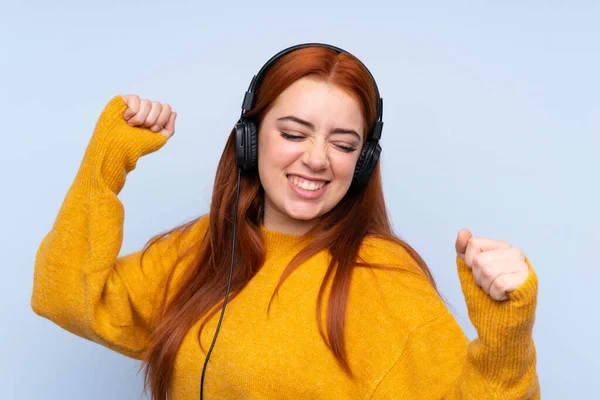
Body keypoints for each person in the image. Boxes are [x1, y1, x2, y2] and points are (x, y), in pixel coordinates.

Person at [31, 43, 539, 399]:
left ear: (362, 163)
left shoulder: (387, 279)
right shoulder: (199, 251)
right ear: (250, 140)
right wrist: (105, 163)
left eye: (343, 144)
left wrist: (506, 336)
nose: (318, 159)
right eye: (294, 133)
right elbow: (65, 299)